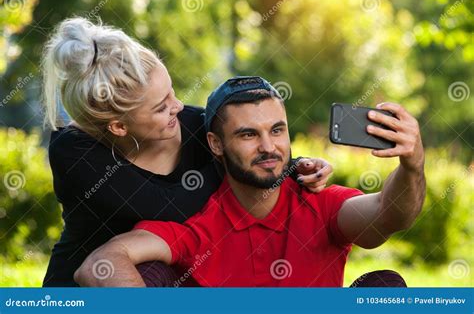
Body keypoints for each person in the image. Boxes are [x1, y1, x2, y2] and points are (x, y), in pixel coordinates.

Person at [41, 18, 334, 287]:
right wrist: (237, 165)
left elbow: (252, 154)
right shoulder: (74, 152)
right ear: (119, 127)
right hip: (91, 285)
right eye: (161, 106)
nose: (178, 106)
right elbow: (168, 207)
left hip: (176, 278)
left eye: (171, 91)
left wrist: (293, 166)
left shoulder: (195, 126)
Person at [74, 77, 426, 287]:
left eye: (277, 130)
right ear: (216, 144)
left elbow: (389, 214)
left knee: (385, 287)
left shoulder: (318, 202)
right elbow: (100, 263)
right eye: (248, 135)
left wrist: (412, 163)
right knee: (151, 273)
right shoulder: (200, 223)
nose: (269, 147)